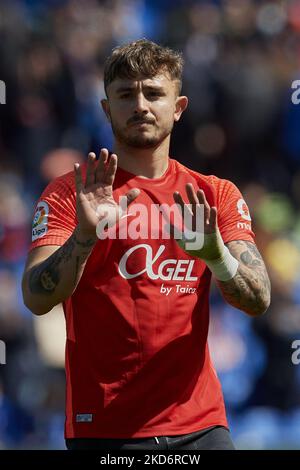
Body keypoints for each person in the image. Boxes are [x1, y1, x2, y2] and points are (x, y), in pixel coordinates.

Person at [22, 39, 271, 450]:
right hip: (105, 430)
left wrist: (217, 258)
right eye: (125, 94)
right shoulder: (73, 193)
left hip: (200, 425)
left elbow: (257, 298)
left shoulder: (214, 194)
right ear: (106, 109)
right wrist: (84, 237)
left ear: (179, 106)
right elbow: (35, 296)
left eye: (154, 93)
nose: (140, 105)